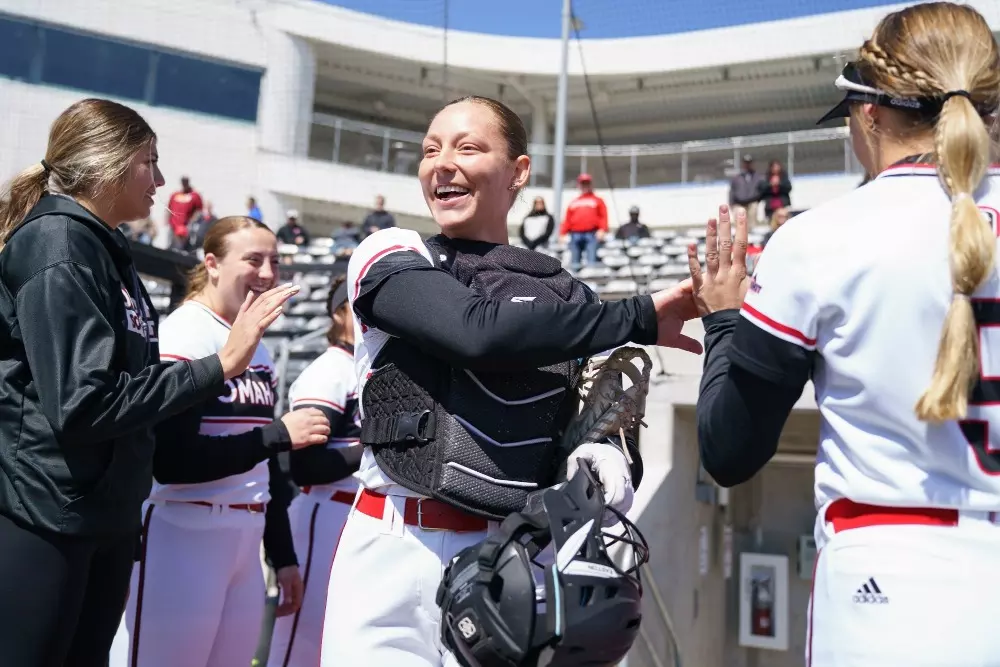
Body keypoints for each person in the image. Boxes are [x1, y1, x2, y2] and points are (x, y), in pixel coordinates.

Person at [318, 95, 702, 667]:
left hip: (509, 559)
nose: (442, 163)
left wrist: (603, 457)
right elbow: (476, 333)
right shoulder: (390, 250)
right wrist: (638, 316)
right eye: (430, 150)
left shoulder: (567, 294)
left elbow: (591, 421)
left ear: (519, 172)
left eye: (467, 147)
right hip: (391, 544)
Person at [689, 4, 1000, 666]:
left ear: (870, 113)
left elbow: (730, 448)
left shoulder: (821, 237)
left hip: (888, 583)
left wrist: (723, 316)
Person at [0, 98, 298, 667]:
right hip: (48, 513)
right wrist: (218, 367)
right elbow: (80, 402)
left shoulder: (108, 249)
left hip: (103, 513)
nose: (161, 179)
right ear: (106, 162)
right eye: (149, 161)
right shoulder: (58, 242)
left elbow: (125, 385)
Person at [109, 216, 329, 667]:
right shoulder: (187, 332)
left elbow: (261, 467)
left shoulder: (257, 344)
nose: (268, 273)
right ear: (212, 263)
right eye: (253, 259)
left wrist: (282, 555)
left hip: (245, 541)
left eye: (275, 261)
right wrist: (275, 436)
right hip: (183, 530)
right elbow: (171, 462)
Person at [267, 273, 363, 667]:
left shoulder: (365, 368)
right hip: (324, 512)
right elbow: (303, 466)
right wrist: (378, 448)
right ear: (339, 315)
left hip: (356, 514)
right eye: (358, 309)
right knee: (302, 644)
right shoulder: (329, 371)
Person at [559, 172, 608, 271]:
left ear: (590, 184)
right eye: (583, 183)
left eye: (587, 183)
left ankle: (591, 281)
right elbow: (568, 219)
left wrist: (602, 229)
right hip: (575, 234)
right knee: (575, 263)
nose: (585, 186)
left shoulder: (597, 200)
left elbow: (603, 216)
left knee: (591, 262)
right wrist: (562, 233)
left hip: (591, 234)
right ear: (579, 185)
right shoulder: (574, 202)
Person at [165, 176, 203, 251]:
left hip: (185, 227)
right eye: (183, 182)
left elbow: (199, 210)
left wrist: (192, 221)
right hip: (173, 226)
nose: (184, 184)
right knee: (171, 246)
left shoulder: (194, 195)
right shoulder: (175, 195)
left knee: (182, 248)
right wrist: (167, 220)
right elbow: (169, 207)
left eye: (185, 182)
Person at [728, 154, 762, 226]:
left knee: (753, 211)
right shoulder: (737, 177)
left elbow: (760, 189)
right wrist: (731, 203)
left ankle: (751, 230)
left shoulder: (757, 176)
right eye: (746, 163)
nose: (747, 165)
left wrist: (757, 199)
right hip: (739, 202)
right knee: (739, 216)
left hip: (751, 202)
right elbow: (732, 190)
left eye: (749, 163)